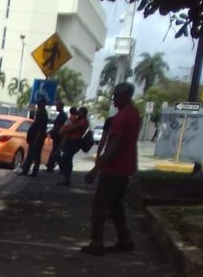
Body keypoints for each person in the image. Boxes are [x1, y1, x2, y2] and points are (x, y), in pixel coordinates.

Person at [81, 82, 140, 255]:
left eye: (116, 95)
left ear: (125, 95)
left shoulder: (121, 118)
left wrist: (95, 169)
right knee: (115, 206)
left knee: (100, 206)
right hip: (125, 169)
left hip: (114, 169)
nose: (114, 99)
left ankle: (96, 243)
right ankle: (124, 239)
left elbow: (112, 147)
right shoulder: (134, 114)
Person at [57, 106, 89, 186]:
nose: (79, 113)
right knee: (66, 158)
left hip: (75, 141)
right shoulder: (77, 120)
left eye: (80, 112)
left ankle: (67, 178)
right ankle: (66, 177)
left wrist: (64, 129)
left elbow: (73, 128)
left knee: (67, 158)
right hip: (71, 140)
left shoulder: (83, 121)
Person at [21, 95, 48, 176]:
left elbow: (40, 129)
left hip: (37, 138)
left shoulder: (42, 114)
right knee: (32, 155)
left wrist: (36, 139)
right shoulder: (40, 113)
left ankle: (31, 171)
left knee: (34, 155)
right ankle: (28, 170)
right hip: (35, 137)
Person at [45, 100, 68, 171]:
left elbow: (58, 126)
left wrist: (51, 131)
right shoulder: (61, 115)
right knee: (55, 151)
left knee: (56, 152)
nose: (56, 108)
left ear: (61, 106)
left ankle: (57, 166)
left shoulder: (62, 115)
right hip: (57, 135)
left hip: (59, 136)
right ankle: (51, 166)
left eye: (57, 106)